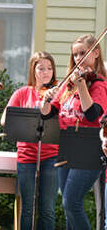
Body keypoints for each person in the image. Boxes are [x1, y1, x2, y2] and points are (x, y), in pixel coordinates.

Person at [41, 34, 107, 229]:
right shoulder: (68, 85)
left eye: (83, 53)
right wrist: (45, 99)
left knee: (71, 203)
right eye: (75, 55)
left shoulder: (99, 84)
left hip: (89, 149)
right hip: (67, 148)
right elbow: (47, 114)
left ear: (96, 53)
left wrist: (81, 85)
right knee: (69, 210)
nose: (78, 58)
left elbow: (92, 115)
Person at [1, 51, 59, 230]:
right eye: (41, 68)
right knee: (27, 208)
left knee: (47, 208)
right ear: (33, 70)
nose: (46, 73)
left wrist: (49, 101)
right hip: (27, 156)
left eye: (49, 68)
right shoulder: (22, 93)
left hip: (51, 156)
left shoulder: (57, 94)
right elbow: (5, 119)